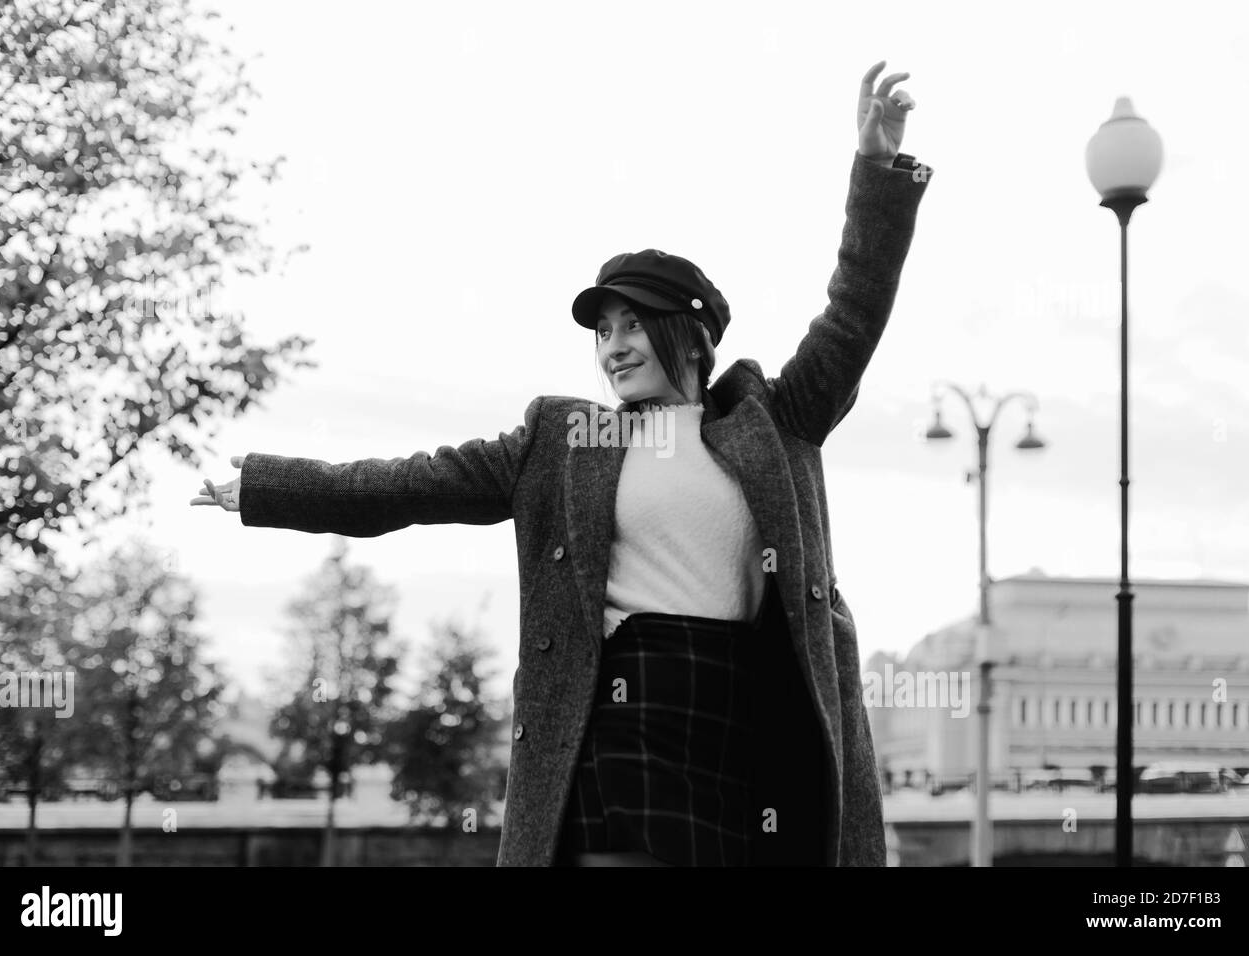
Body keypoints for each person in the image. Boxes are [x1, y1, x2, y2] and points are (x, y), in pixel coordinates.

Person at [191, 60, 932, 866]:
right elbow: (408, 484)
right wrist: (264, 489)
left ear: (688, 333)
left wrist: (876, 171)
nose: (612, 347)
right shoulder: (564, 441)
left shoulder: (775, 420)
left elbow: (854, 309)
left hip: (747, 714)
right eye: (602, 331)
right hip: (618, 711)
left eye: (631, 325)